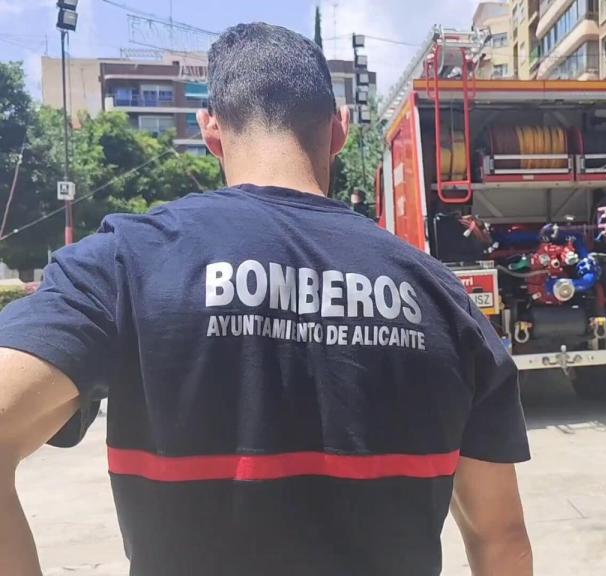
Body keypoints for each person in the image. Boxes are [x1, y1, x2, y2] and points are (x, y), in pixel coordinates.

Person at [0, 23, 531, 576]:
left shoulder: (126, 263)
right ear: (339, 131)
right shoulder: (442, 298)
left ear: (211, 131)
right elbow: (503, 540)